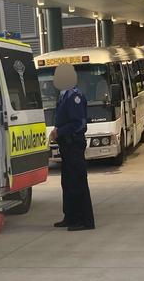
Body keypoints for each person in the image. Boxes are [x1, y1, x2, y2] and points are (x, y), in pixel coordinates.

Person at [49, 64, 95, 232]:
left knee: (77, 182)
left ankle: (84, 220)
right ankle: (70, 216)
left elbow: (78, 123)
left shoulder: (74, 97)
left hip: (74, 144)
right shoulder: (64, 96)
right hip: (66, 145)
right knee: (67, 182)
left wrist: (59, 131)